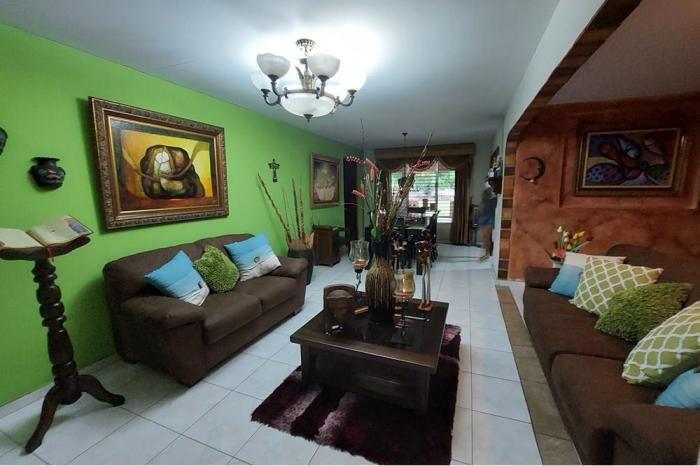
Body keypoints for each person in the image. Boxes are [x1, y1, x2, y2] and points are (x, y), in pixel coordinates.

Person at [478, 180, 497, 262]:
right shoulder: (485, 192)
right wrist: (479, 214)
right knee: (485, 236)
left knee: (487, 235)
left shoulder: (497, 192)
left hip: (491, 216)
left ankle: (487, 253)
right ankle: (487, 253)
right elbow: (482, 203)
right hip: (483, 216)